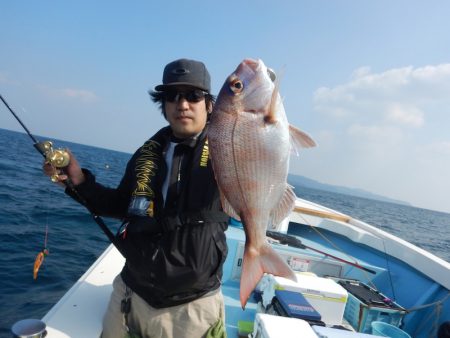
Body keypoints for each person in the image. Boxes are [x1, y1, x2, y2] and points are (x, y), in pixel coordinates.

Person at [43, 59, 229, 338]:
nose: (183, 104)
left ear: (210, 104)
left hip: (191, 307)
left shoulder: (228, 150)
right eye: (172, 96)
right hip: (131, 293)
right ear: (163, 104)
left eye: (193, 95)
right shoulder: (147, 154)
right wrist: (79, 180)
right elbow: (121, 205)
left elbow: (262, 157)